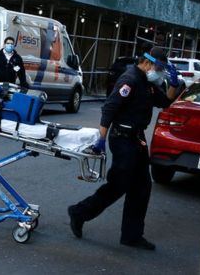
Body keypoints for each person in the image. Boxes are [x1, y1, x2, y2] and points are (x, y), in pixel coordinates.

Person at [67, 47, 180, 250]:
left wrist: (174, 83)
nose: (160, 73)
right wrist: (100, 140)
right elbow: (110, 107)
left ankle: (132, 235)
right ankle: (79, 212)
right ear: (147, 63)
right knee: (118, 185)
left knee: (142, 188)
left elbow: (166, 102)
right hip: (122, 138)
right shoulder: (130, 80)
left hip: (137, 139)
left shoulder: (149, 83)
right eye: (160, 68)